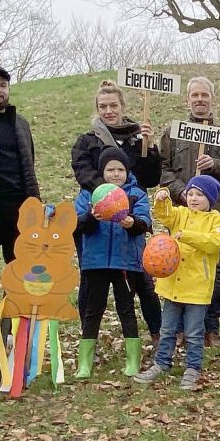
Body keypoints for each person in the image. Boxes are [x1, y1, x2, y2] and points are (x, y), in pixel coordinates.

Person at [71, 80, 162, 340]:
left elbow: (151, 178)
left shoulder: (137, 139)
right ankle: (88, 335)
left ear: (122, 106)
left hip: (130, 217)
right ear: (97, 109)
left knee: (142, 279)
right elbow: (83, 173)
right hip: (95, 218)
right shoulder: (87, 141)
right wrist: (109, 197)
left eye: (113, 105)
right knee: (90, 281)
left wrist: (150, 147)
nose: (108, 110)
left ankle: (157, 332)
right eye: (103, 106)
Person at [160, 76, 220, 347]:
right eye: (194, 95)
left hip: (213, 213)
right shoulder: (173, 132)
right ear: (188, 99)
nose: (199, 100)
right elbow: (162, 169)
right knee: (178, 264)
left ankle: (210, 326)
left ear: (211, 98)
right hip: (181, 212)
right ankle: (180, 327)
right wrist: (181, 191)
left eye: (204, 95)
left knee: (213, 270)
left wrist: (215, 164)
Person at [133, 176, 220, 390]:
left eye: (200, 195)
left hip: (197, 288)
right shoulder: (180, 214)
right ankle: (161, 363)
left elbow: (215, 243)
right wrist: (162, 199)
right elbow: (164, 215)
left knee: (194, 332)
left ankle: (193, 368)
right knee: (167, 329)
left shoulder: (216, 220)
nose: (193, 198)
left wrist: (188, 236)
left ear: (210, 199)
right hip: (173, 285)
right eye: (191, 193)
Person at [72, 148, 151, 378]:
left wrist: (131, 222)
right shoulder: (90, 194)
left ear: (127, 171)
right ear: (102, 171)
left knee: (126, 309)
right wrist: (90, 218)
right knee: (92, 310)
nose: (115, 174)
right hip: (95, 262)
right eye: (110, 169)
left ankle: (132, 359)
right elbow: (76, 224)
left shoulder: (136, 194)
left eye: (120, 170)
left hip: (125, 262)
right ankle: (85, 362)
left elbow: (144, 222)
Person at [0, 64, 40, 277]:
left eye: (3, 85)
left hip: (19, 211)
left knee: (22, 275)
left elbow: (29, 166)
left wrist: (35, 205)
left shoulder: (20, 123)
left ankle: (13, 311)